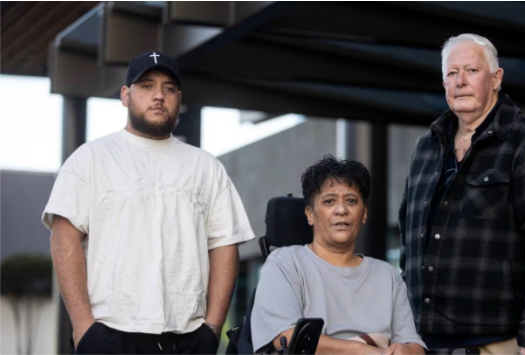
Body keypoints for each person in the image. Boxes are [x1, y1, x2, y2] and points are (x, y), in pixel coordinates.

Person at [43, 50, 255, 354]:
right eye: (147, 86)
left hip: (188, 335)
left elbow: (225, 243)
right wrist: (83, 325)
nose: (159, 95)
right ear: (126, 95)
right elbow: (64, 237)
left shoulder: (205, 166)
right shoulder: (91, 159)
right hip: (110, 333)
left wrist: (212, 327)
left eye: (169, 88)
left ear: (179, 99)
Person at [398, 34, 525, 355]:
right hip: (424, 342)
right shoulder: (426, 147)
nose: (461, 81)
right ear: (443, 83)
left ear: (496, 79)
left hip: (496, 342)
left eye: (471, 70)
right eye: (452, 73)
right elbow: (408, 248)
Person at [252, 155, 426, 355]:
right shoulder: (286, 263)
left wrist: (405, 351)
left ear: (364, 214)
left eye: (351, 201)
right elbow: (286, 337)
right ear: (309, 214)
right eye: (329, 201)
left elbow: (414, 346)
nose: (341, 210)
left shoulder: (387, 275)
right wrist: (365, 351)